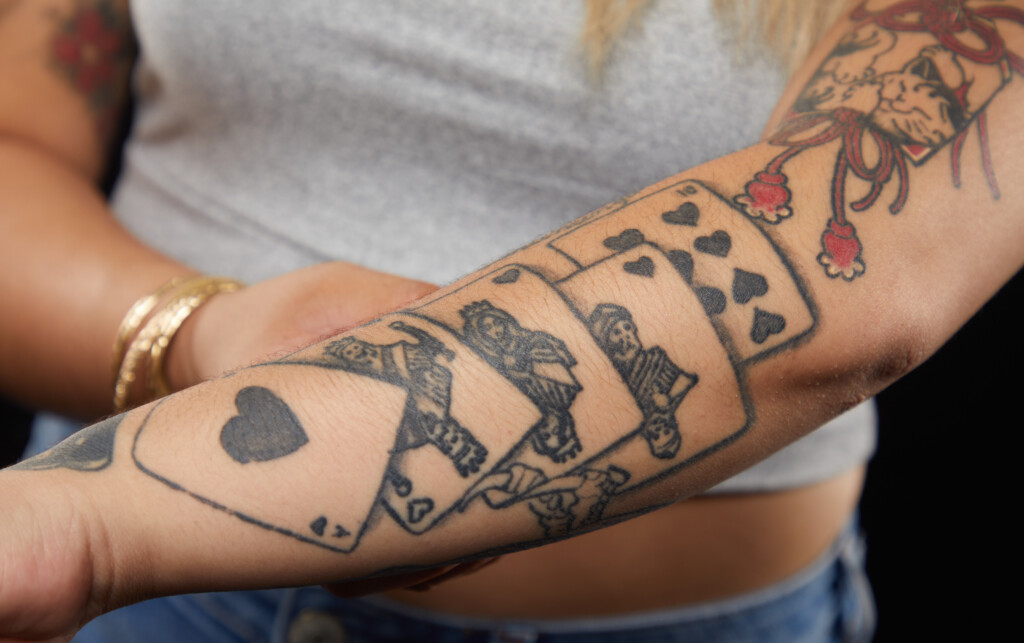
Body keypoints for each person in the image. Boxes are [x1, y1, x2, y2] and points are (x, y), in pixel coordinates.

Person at [1, 1, 1021, 641]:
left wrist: (83, 528)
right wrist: (194, 333)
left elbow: (839, 271)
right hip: (152, 607)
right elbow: (18, 147)